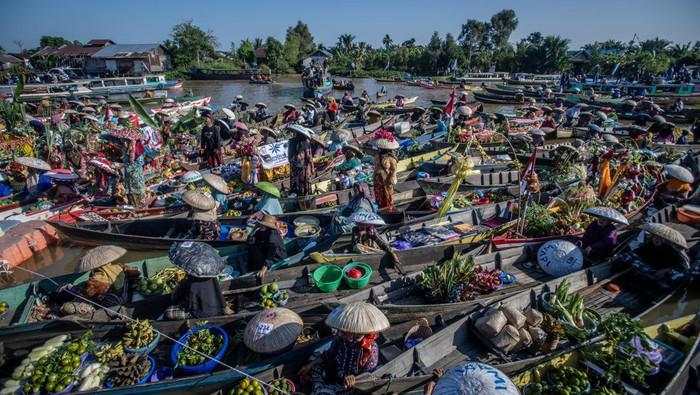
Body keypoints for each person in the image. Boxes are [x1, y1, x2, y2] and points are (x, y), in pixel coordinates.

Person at [307, 302, 389, 394]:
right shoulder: (340, 340)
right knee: (312, 362)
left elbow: (369, 376)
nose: (342, 334)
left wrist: (354, 379)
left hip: (352, 385)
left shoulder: (371, 349)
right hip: (336, 373)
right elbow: (328, 355)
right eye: (343, 331)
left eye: (346, 332)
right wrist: (309, 365)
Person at [165, 242, 227, 320]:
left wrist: (179, 288)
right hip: (216, 307)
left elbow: (180, 299)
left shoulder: (194, 283)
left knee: (168, 313)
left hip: (203, 313)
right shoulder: (210, 275)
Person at [625, 222, 690, 287]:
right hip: (647, 266)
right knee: (627, 257)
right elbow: (639, 253)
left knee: (676, 276)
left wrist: (665, 270)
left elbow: (677, 264)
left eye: (660, 238)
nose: (657, 239)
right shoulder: (648, 244)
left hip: (659, 269)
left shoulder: (670, 250)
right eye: (656, 237)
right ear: (653, 236)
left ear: (664, 240)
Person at [247, 213, 287, 279]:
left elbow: (271, 255)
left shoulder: (272, 236)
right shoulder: (261, 231)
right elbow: (250, 241)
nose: (260, 225)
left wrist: (263, 269)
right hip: (266, 250)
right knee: (252, 247)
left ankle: (253, 269)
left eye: (262, 224)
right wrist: (254, 229)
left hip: (276, 257)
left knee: (256, 254)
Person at [287, 125, 316, 197]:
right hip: (303, 166)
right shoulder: (305, 142)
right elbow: (309, 157)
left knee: (295, 182)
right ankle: (305, 196)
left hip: (294, 165)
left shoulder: (291, 141)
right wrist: (312, 167)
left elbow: (289, 156)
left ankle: (297, 195)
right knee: (304, 182)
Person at [373, 138, 399, 211]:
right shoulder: (377, 156)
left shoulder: (391, 158)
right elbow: (376, 168)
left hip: (386, 179)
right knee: (380, 195)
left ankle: (388, 209)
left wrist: (391, 179)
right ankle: (382, 208)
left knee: (388, 195)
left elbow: (393, 171)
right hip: (379, 179)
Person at [122, 136, 146, 207]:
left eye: (126, 141)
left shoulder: (137, 150)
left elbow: (140, 163)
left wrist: (126, 166)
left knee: (137, 191)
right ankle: (132, 206)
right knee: (129, 192)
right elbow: (125, 162)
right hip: (128, 176)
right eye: (124, 141)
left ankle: (139, 207)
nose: (124, 143)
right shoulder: (126, 150)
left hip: (136, 175)